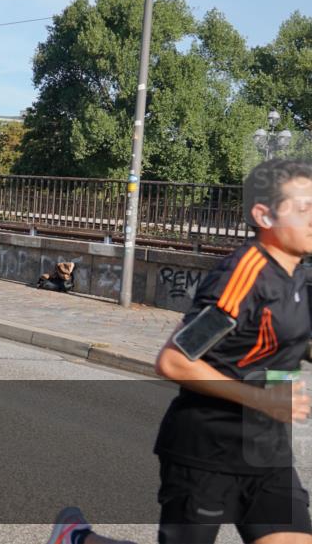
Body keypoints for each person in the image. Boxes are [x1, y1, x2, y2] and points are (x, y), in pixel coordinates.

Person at [47, 158, 312, 544]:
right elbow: (173, 360)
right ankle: (78, 539)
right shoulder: (242, 278)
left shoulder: (298, 276)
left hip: (265, 450)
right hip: (206, 450)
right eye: (304, 209)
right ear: (263, 215)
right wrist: (263, 399)